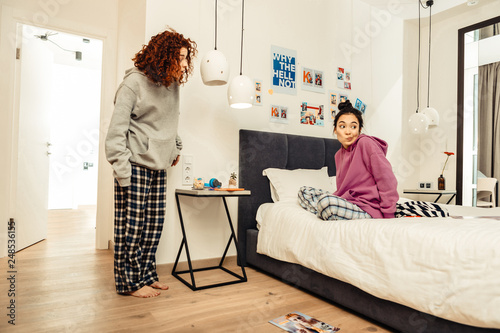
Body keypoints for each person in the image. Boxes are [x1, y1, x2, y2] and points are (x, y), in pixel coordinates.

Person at [105, 28, 197, 298]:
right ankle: (129, 284)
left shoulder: (172, 84)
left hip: (159, 167)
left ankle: (146, 275)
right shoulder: (133, 84)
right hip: (134, 165)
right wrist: (122, 171)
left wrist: (174, 147)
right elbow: (115, 133)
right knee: (131, 229)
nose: (184, 64)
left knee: (153, 226)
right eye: (179, 58)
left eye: (185, 58)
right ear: (164, 55)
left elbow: (168, 122)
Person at [299, 100, 398, 220]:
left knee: (327, 203)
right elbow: (344, 189)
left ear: (359, 130)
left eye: (353, 126)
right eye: (342, 126)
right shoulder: (338, 155)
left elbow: (387, 179)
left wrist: (388, 216)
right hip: (348, 203)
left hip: (368, 208)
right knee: (304, 192)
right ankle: (326, 211)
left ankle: (326, 211)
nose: (348, 131)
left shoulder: (365, 143)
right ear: (335, 130)